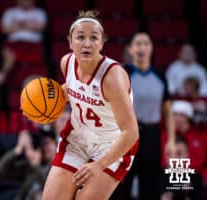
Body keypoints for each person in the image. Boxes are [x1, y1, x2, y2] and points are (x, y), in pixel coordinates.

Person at [42, 10, 139, 200]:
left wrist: (98, 165)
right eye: (80, 37)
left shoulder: (112, 77)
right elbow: (72, 89)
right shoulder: (66, 63)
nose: (87, 43)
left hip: (112, 145)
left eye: (94, 38)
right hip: (78, 137)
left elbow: (131, 133)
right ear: (70, 42)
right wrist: (42, 104)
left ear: (102, 44)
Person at [112, 32, 176, 200]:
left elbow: (167, 111)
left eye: (146, 43)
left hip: (151, 134)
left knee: (150, 184)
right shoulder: (121, 74)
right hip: (126, 135)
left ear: (152, 48)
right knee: (121, 183)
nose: (142, 47)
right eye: (138, 44)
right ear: (130, 49)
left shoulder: (160, 76)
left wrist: (171, 140)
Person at [161, 136, 203, 200]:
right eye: (170, 153)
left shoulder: (196, 179)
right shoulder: (155, 179)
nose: (174, 158)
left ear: (187, 154)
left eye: (179, 153)